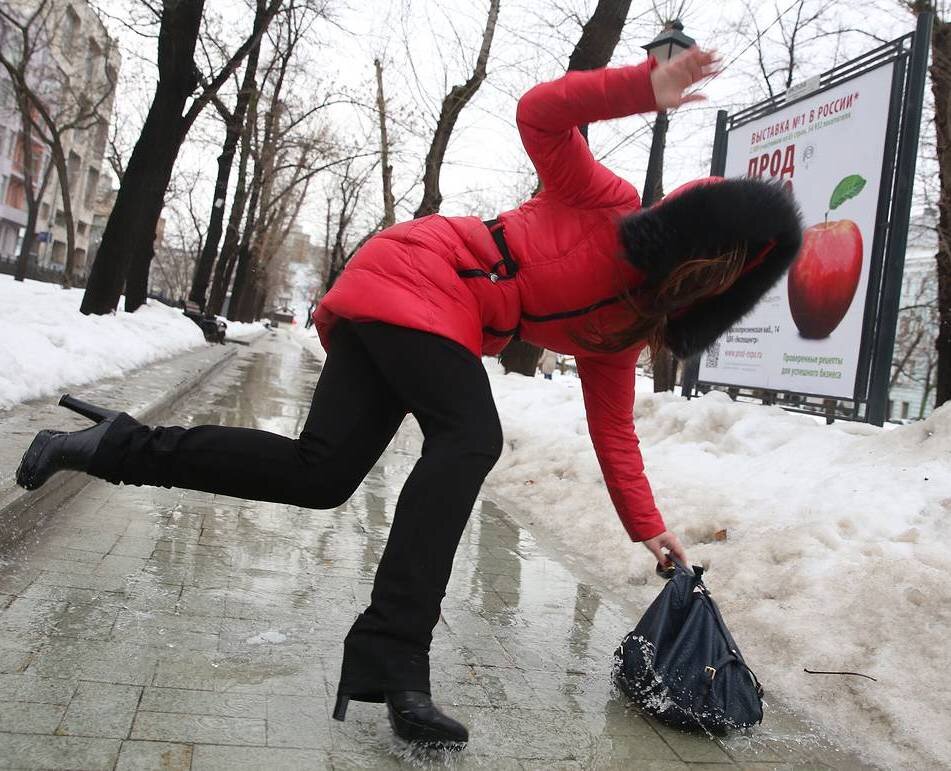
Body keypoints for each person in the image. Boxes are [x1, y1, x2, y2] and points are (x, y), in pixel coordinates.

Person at [15, 46, 802, 749]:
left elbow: (614, 434)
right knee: (471, 437)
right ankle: (398, 662)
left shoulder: (620, 333)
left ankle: (107, 445)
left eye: (734, 274)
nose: (717, 272)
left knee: (318, 474)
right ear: (688, 228)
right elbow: (539, 116)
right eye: (716, 250)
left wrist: (648, 529)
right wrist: (642, 87)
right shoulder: (606, 200)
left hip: (420, 311)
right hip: (424, 273)